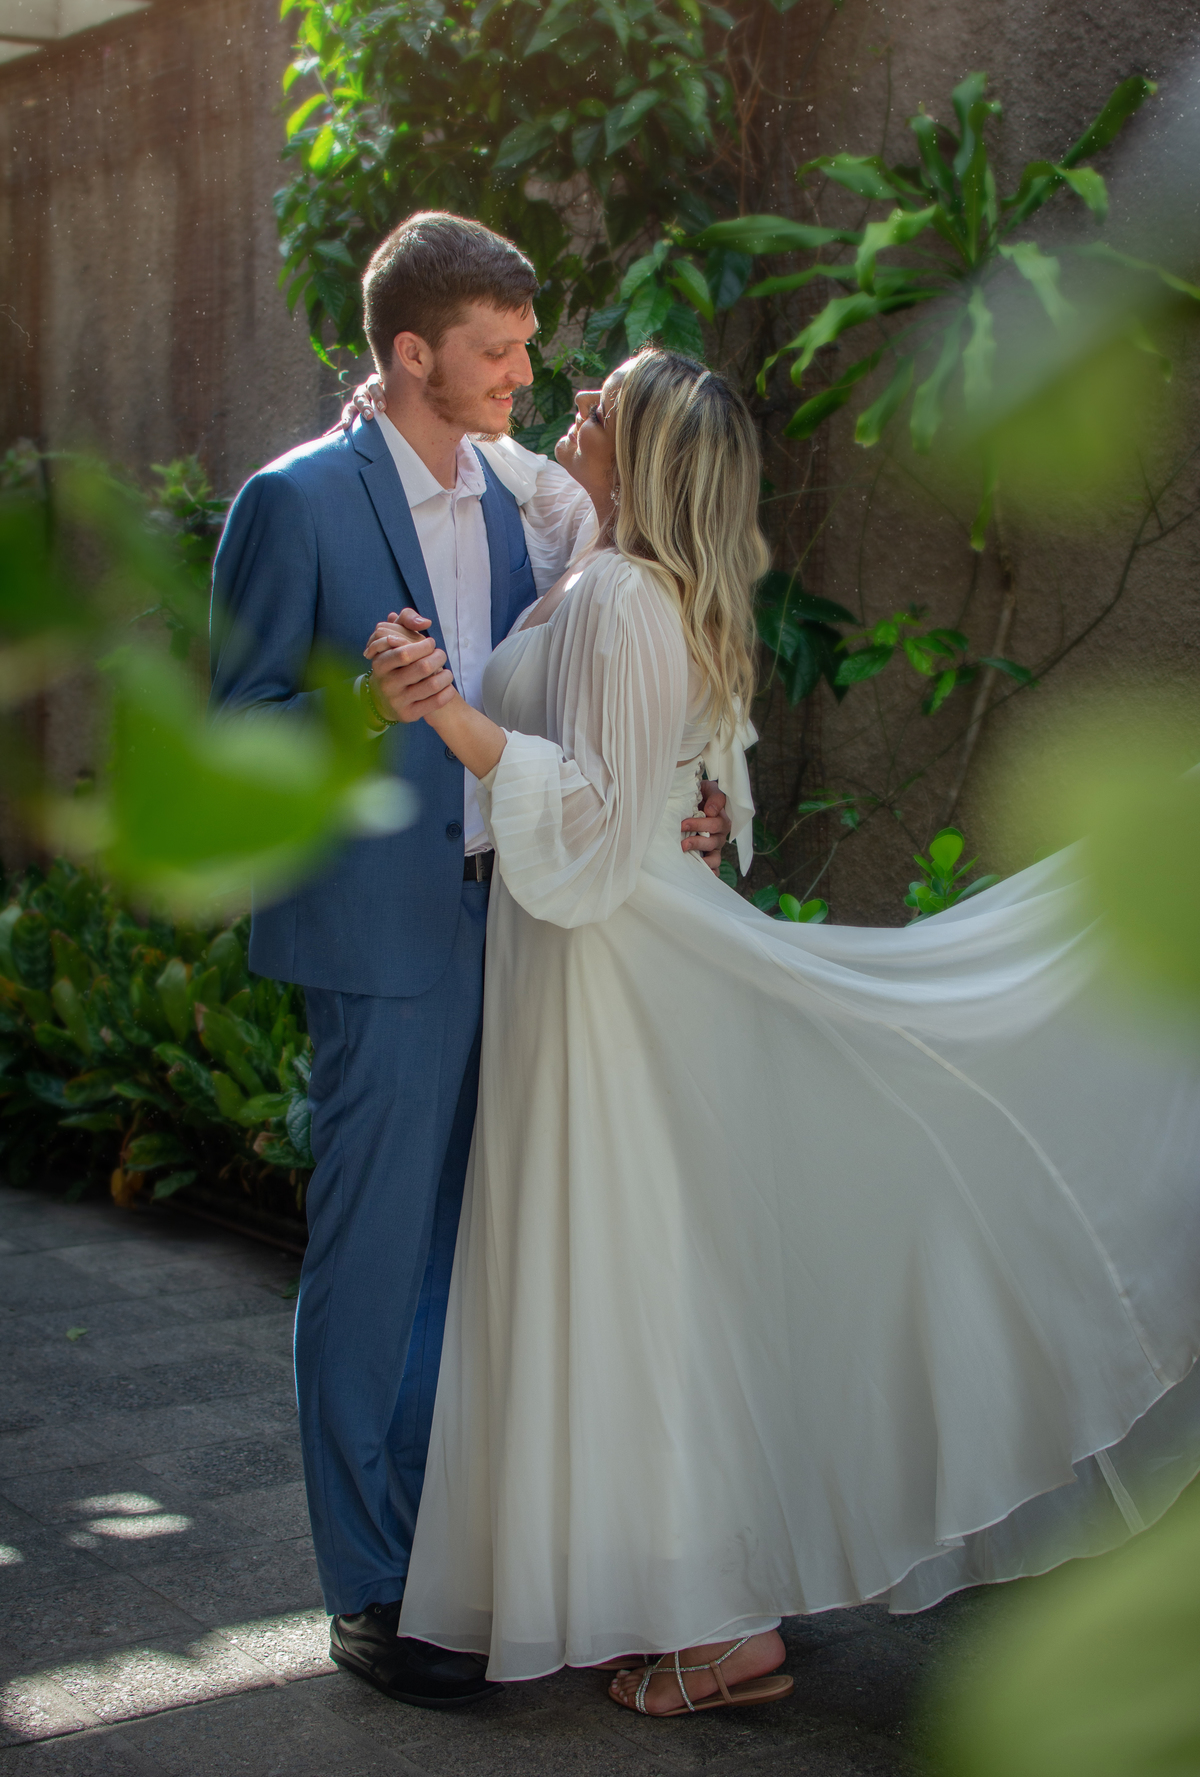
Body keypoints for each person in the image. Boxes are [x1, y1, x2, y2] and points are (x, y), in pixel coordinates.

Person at [364, 346, 1200, 1717]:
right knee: (627, 1274)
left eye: (597, 408)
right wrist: (385, 404)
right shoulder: (598, 560)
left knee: (643, 1277)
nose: (569, 411)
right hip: (583, 959)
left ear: (640, 453)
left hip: (612, 970)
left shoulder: (624, 594)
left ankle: (724, 1628)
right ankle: (663, 1596)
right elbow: (679, 767)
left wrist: (451, 712)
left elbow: (601, 822)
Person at [208, 214, 732, 1711]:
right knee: (376, 1262)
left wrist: (679, 796)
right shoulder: (292, 501)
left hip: (525, 926)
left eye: (526, 347)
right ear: (411, 352)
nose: (522, 374)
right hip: (383, 941)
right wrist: (358, 711)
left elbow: (596, 669)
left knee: (471, 1258)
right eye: (496, 351)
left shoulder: (523, 502)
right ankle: (369, 1589)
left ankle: (449, 1561)